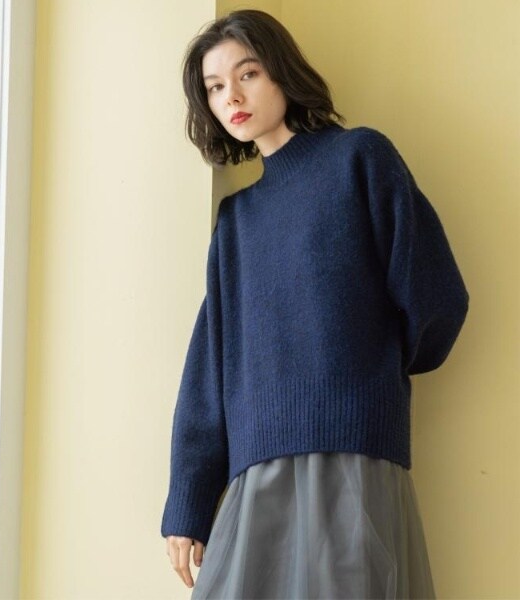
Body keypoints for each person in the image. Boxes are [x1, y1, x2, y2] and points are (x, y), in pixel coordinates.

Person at [161, 9, 469, 599]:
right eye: (215, 87)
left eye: (247, 74)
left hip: (354, 458)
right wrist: (188, 503)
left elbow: (437, 295)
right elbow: (210, 366)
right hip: (257, 469)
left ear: (281, 72)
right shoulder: (237, 221)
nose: (232, 97)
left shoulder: (360, 159)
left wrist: (362, 377)